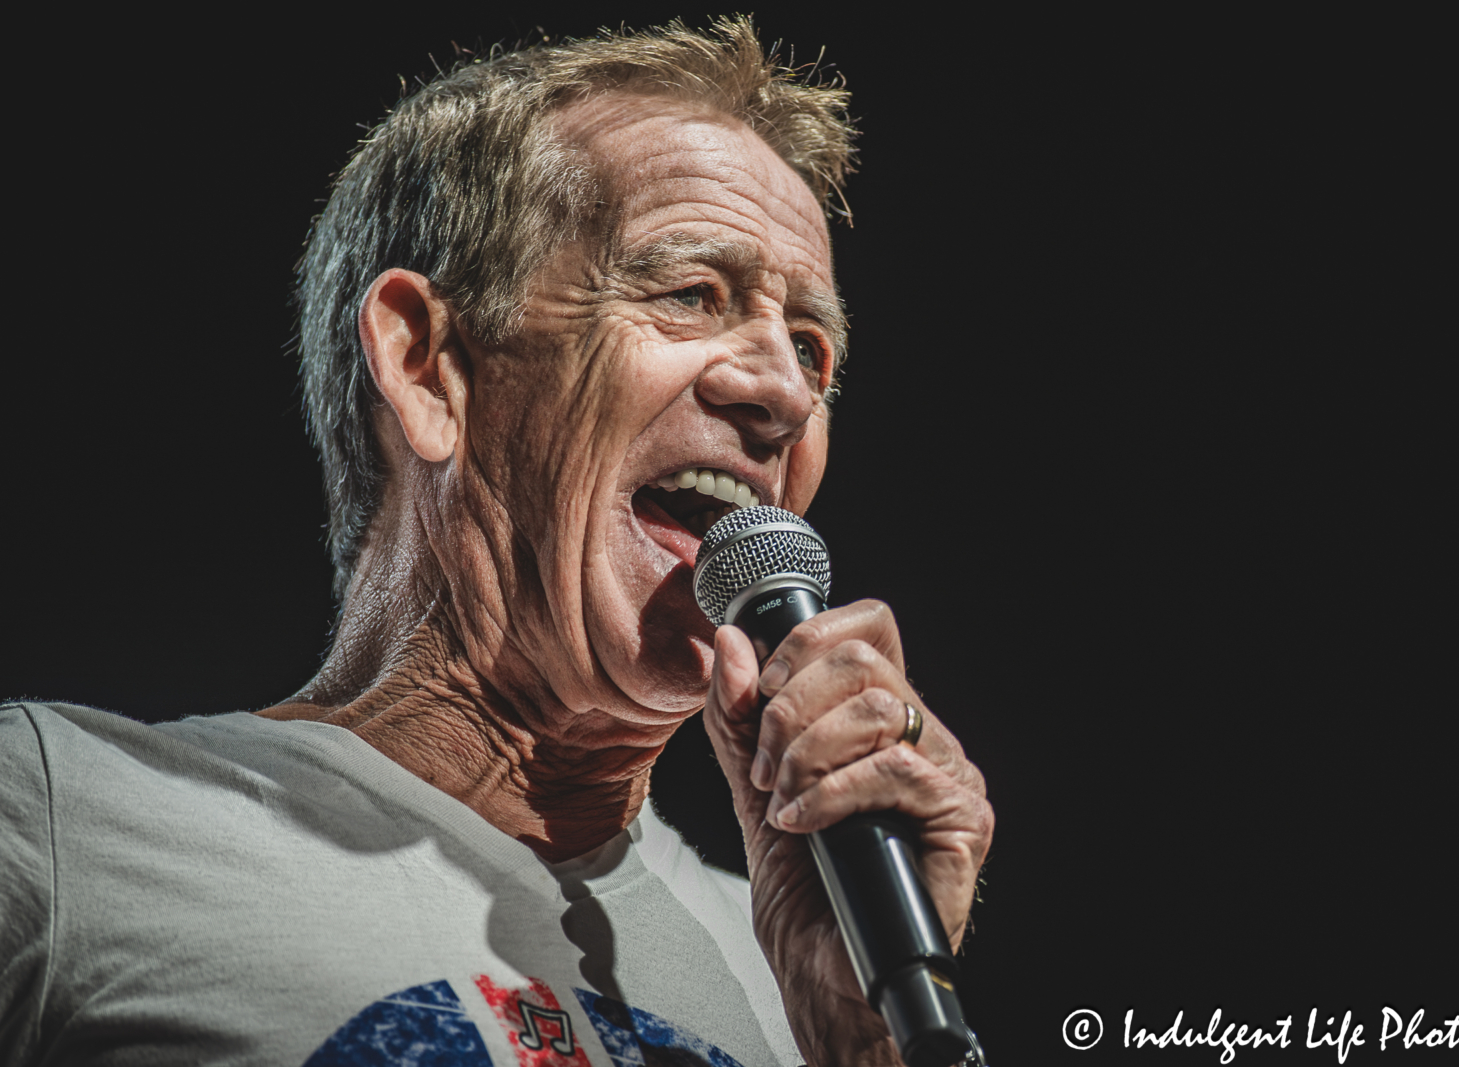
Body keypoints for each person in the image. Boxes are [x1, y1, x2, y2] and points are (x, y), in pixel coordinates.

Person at [0, 18, 991, 1067]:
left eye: (811, 348)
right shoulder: (64, 824)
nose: (787, 392)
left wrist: (860, 1041)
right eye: (691, 293)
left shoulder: (806, 966)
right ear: (429, 366)